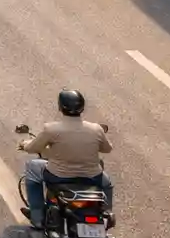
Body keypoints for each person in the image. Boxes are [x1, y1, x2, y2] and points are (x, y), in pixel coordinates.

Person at [19, 89, 114, 230]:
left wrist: (24, 144)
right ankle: (106, 213)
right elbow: (107, 149)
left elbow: (33, 147)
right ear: (82, 107)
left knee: (32, 167)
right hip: (92, 177)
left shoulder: (51, 129)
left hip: (59, 176)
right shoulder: (96, 129)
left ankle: (37, 216)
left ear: (60, 107)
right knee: (107, 184)